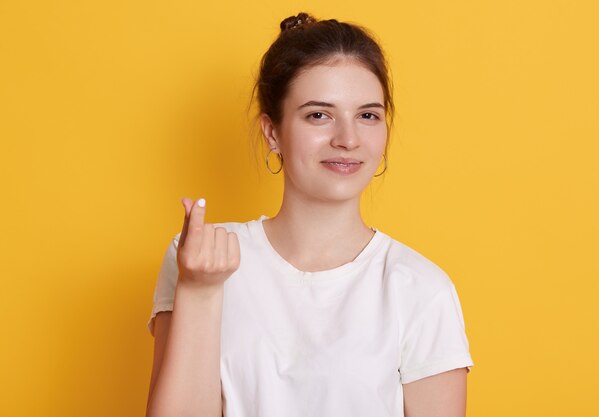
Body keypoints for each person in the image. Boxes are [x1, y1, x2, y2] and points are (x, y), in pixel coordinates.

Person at [145, 12, 474, 417]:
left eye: (367, 115)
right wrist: (200, 290)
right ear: (272, 132)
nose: (348, 139)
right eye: (319, 114)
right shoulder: (200, 257)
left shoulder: (420, 289)